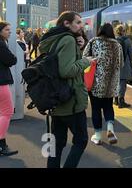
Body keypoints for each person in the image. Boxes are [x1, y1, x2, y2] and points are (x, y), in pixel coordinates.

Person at [38, 12, 95, 168]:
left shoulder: (53, 39)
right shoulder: (68, 40)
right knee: (81, 140)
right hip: (71, 100)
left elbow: (60, 63)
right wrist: (86, 61)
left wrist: (79, 48)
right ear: (66, 24)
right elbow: (66, 70)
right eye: (77, 22)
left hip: (56, 99)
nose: (81, 25)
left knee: (57, 143)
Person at [83, 23, 123, 146]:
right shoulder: (117, 45)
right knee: (108, 106)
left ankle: (98, 136)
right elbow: (121, 64)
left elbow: (84, 58)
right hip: (111, 83)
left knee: (96, 109)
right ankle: (110, 128)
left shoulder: (94, 42)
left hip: (96, 82)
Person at [0, 22, 18, 157]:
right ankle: (1, 145)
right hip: (1, 82)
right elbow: (11, 60)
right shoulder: (1, 44)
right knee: (7, 111)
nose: (9, 32)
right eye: (7, 30)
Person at [115, 25, 132, 108]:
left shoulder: (114, 40)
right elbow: (131, 54)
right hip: (124, 65)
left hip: (115, 65)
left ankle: (115, 100)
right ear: (124, 31)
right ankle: (121, 101)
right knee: (122, 83)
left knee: (116, 82)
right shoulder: (127, 41)